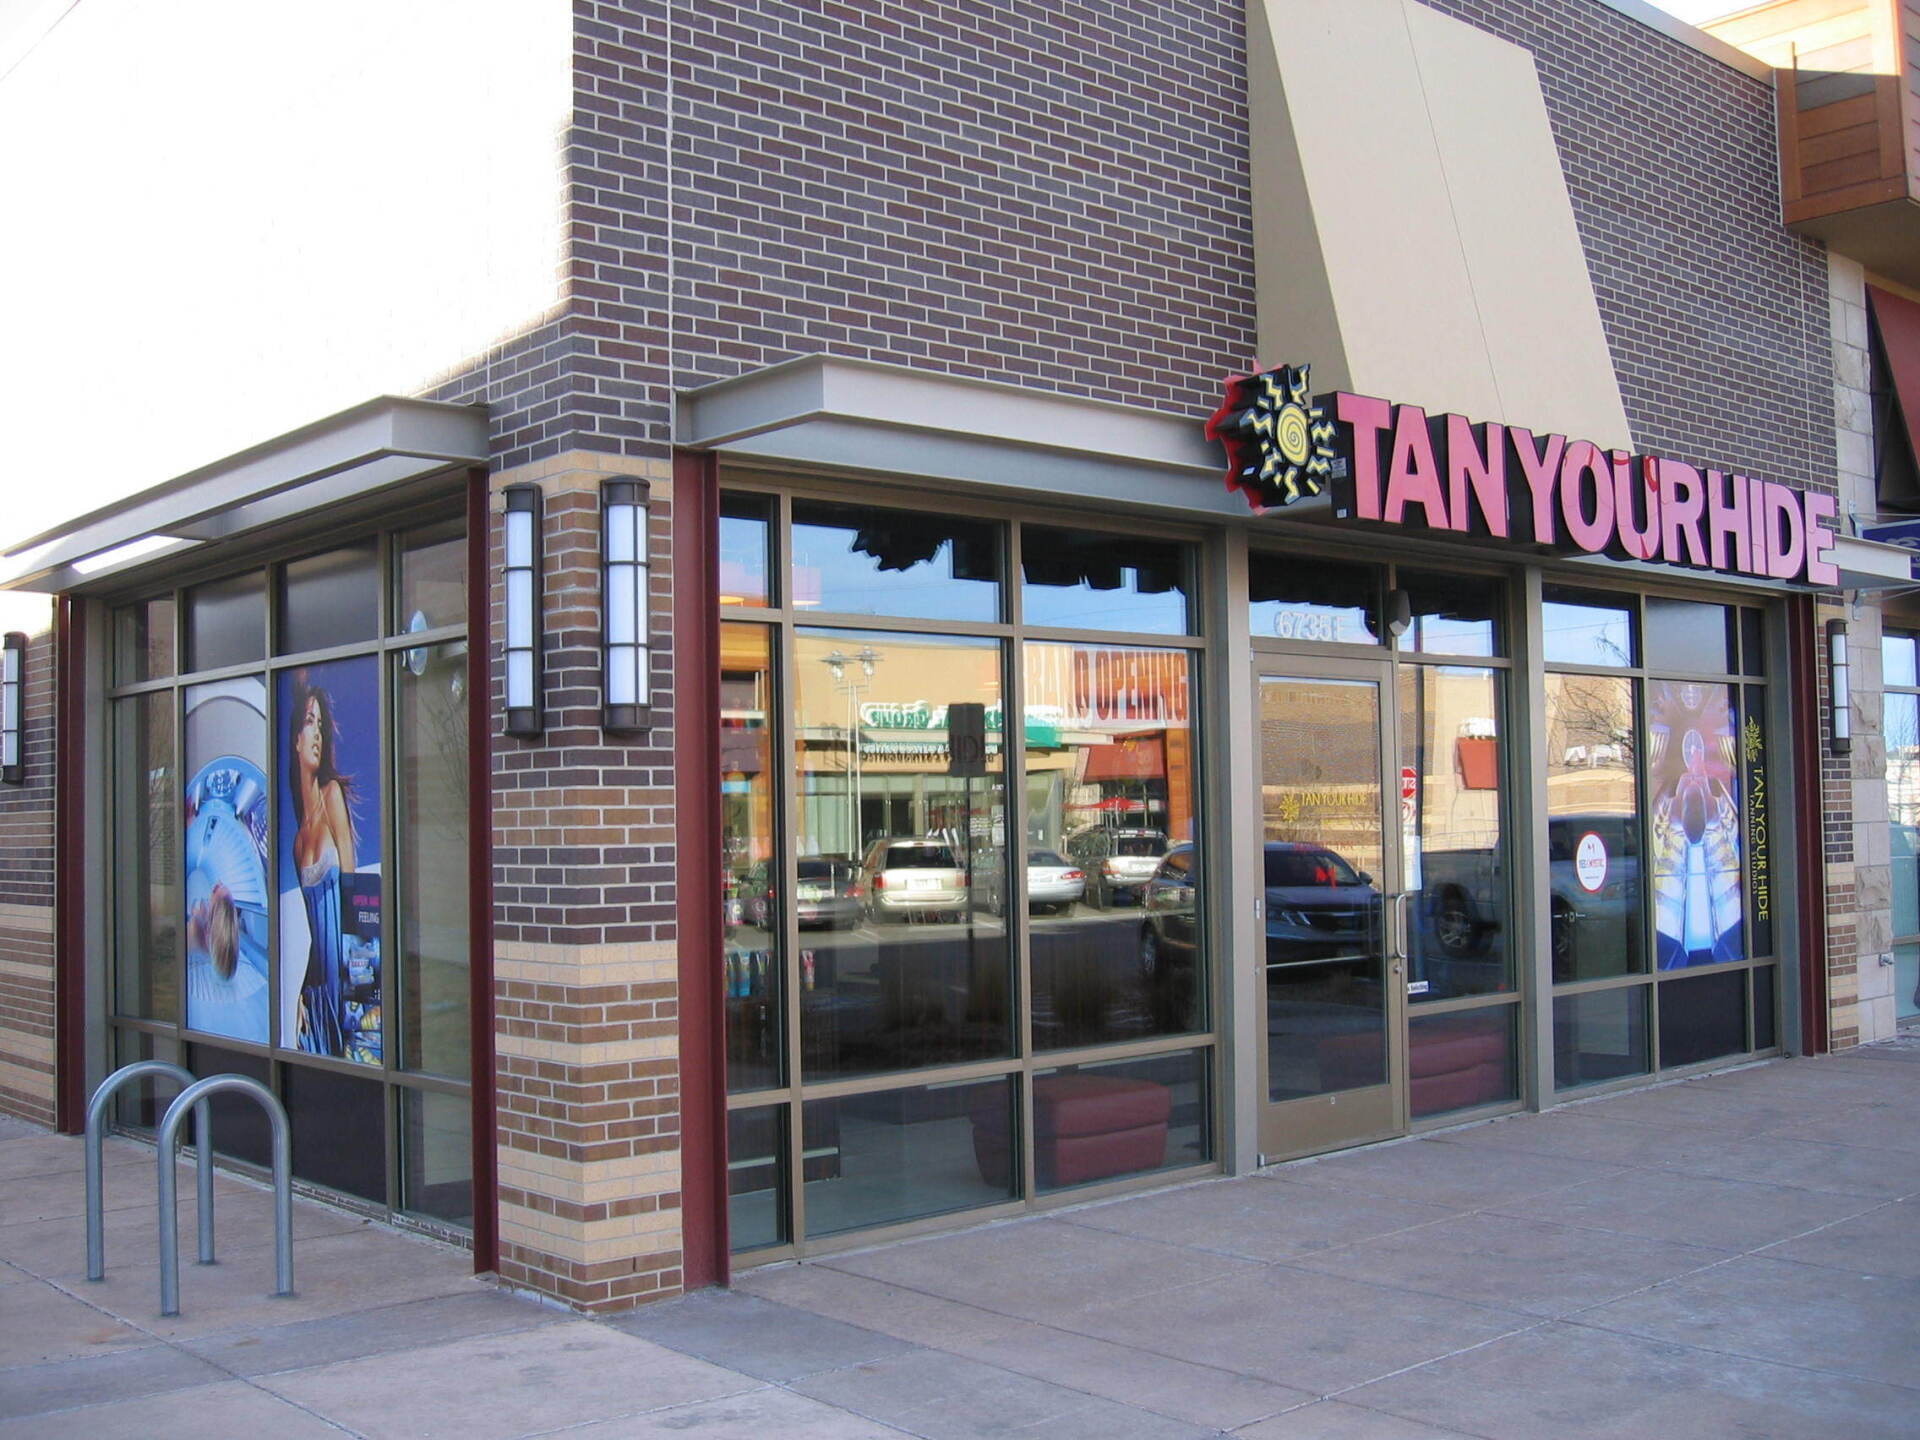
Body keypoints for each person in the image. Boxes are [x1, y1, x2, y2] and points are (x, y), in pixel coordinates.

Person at [288, 677, 358, 1055]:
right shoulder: (297, 840)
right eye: (309, 722)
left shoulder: (333, 796)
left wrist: (360, 980)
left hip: (346, 977)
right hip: (315, 988)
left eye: (321, 725)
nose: (317, 734)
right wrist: (299, 991)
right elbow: (307, 936)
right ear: (296, 738)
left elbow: (350, 886)